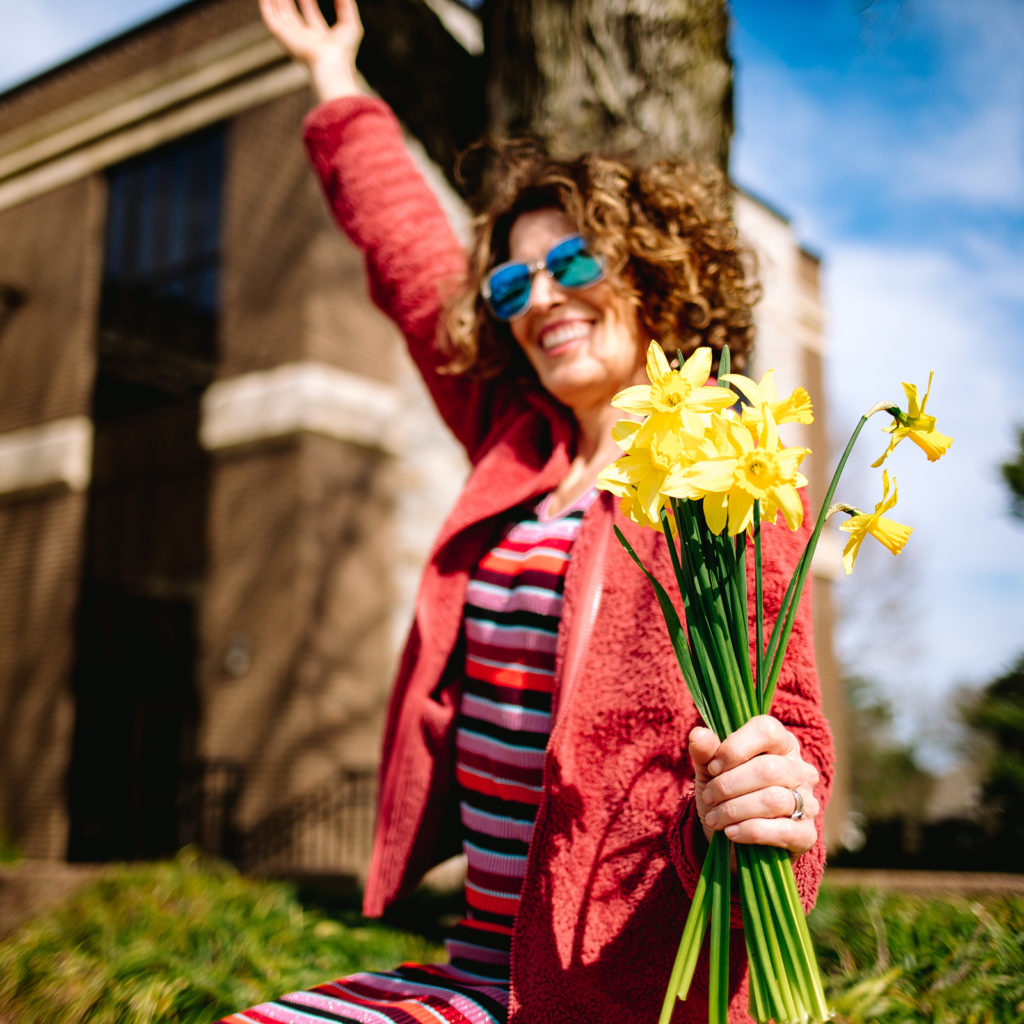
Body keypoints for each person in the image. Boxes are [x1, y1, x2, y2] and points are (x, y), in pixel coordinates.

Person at [219, 2, 833, 1022]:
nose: (542, 295)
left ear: (653, 271)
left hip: (610, 991)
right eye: (514, 279)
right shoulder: (512, 441)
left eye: (577, 263)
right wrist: (335, 77)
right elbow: (406, 248)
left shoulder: (725, 470)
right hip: (479, 962)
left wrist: (776, 791)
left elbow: (791, 723)